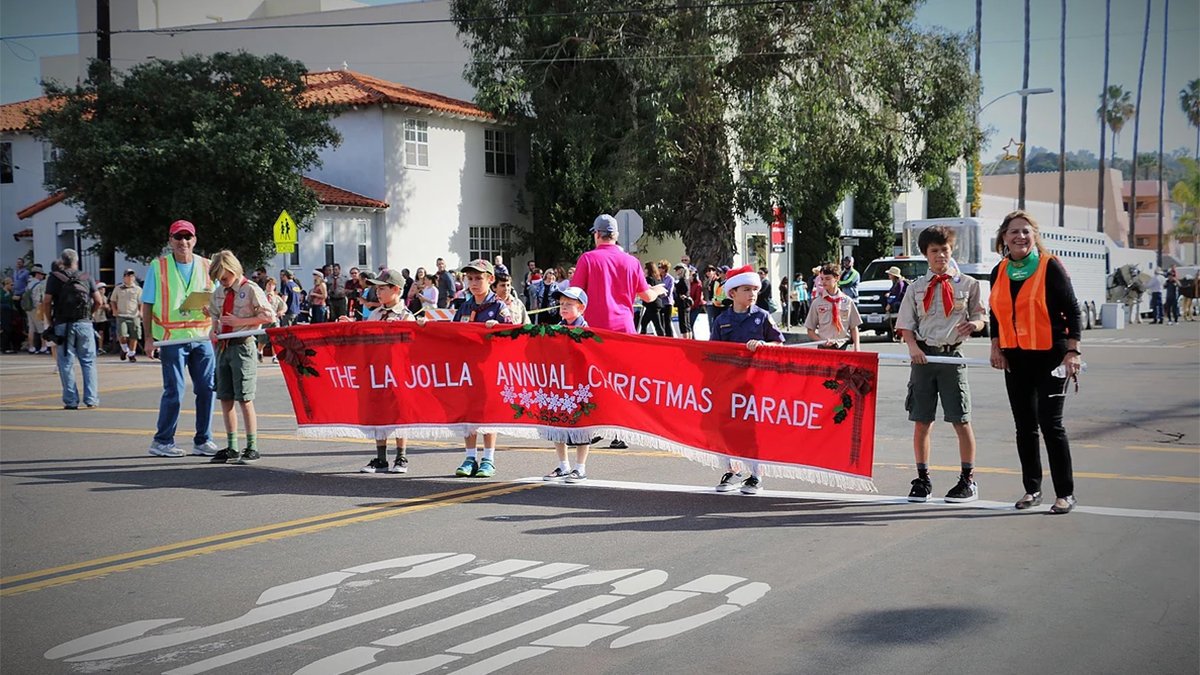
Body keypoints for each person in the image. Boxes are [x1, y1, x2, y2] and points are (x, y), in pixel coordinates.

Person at [988, 210, 1082, 514]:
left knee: (1051, 425)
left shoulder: (1049, 266)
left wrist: (1073, 351)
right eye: (1014, 231)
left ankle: (1065, 493)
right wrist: (995, 347)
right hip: (1015, 358)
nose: (1020, 237)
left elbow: (1073, 310)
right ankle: (1032, 489)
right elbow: (995, 313)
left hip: (1051, 358)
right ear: (1004, 237)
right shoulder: (999, 270)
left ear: (1035, 235)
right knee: (1024, 426)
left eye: (1026, 231)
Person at [896, 226, 987, 503]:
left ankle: (967, 480)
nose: (940, 255)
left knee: (961, 419)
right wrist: (912, 347)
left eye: (944, 250)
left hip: (951, 358)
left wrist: (975, 324)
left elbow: (981, 316)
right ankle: (922, 479)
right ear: (926, 254)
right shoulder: (916, 288)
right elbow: (906, 325)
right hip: (924, 359)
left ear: (952, 250)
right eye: (934, 251)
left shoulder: (968, 285)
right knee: (922, 421)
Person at [572, 213, 666, 449]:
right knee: (620, 381)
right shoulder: (631, 262)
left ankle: (592, 427)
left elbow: (574, 295)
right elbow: (646, 296)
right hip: (624, 329)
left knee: (592, 379)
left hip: (593, 329)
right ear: (615, 236)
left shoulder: (588, 259)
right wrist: (659, 290)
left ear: (597, 234)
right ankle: (620, 433)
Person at [141, 220, 219, 457]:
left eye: (187, 237)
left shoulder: (207, 265)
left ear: (194, 240)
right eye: (178, 237)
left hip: (201, 336)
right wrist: (147, 338)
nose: (183, 242)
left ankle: (203, 439)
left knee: (207, 389)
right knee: (174, 390)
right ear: (170, 241)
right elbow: (147, 304)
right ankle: (162, 441)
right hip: (171, 338)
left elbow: (217, 300)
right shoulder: (158, 266)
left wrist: (212, 313)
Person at [710, 265, 785, 495]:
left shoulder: (762, 317)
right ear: (732, 293)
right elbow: (711, 352)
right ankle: (733, 470)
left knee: (751, 428)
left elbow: (779, 343)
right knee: (728, 427)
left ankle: (755, 474)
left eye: (754, 289)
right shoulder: (722, 320)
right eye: (746, 289)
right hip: (729, 383)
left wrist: (764, 346)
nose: (752, 294)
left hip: (755, 383)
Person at [338, 268, 416, 474]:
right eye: (377, 289)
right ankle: (381, 458)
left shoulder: (406, 316)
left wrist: (396, 329)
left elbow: (412, 346)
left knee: (400, 413)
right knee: (378, 412)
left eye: (382, 289)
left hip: (398, 372)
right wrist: (352, 327)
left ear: (396, 290)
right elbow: (365, 336)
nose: (377, 293)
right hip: (377, 371)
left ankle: (401, 456)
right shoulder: (375, 313)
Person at [205, 251, 275, 465]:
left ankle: (252, 446)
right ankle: (232, 445)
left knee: (244, 398)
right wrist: (213, 331)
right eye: (218, 279)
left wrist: (238, 322)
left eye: (224, 277)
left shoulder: (250, 290)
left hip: (243, 346)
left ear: (234, 270)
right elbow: (215, 317)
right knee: (225, 397)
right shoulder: (218, 292)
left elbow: (269, 316)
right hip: (223, 348)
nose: (222, 282)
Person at [451, 259, 514, 477]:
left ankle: (488, 458)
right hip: (469, 368)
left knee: (488, 413)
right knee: (469, 412)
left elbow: (513, 335)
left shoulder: (499, 307)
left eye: (479, 278)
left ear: (490, 279)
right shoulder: (465, 306)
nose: (474, 283)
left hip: (490, 368)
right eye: (470, 278)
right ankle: (470, 457)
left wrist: (498, 329)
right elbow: (452, 335)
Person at [542, 286, 596, 483]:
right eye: (561, 304)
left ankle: (580, 467)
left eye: (569, 304)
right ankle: (563, 465)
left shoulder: (586, 330)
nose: (563, 307)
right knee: (558, 422)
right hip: (559, 383)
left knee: (582, 425)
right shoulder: (557, 328)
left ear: (581, 308)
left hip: (580, 384)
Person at [43, 248, 104, 409]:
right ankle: (91, 399)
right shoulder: (86, 277)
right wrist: (88, 316)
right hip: (84, 323)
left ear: (62, 262)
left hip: (63, 324)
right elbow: (99, 301)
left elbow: (47, 301)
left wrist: (50, 321)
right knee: (88, 361)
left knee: (66, 362)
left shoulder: (55, 278)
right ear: (77, 261)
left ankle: (71, 400)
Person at [804, 263, 861, 350]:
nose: (823, 282)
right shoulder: (817, 302)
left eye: (827, 279)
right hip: (824, 348)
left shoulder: (847, 301)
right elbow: (810, 330)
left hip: (843, 346)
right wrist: (821, 341)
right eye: (822, 279)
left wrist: (857, 348)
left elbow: (854, 327)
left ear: (837, 278)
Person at [110, 269, 143, 362]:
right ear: (124, 277)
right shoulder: (118, 288)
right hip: (121, 314)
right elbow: (113, 300)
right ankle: (125, 349)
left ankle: (132, 354)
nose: (130, 278)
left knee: (134, 335)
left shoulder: (138, 289)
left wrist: (141, 312)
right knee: (122, 334)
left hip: (134, 315)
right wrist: (114, 310)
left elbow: (141, 302)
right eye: (128, 275)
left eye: (132, 276)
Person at [259, 277, 287, 362]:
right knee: (262, 340)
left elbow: (284, 306)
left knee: (275, 339)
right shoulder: (261, 296)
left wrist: (281, 311)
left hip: (274, 320)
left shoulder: (276, 297)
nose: (271, 286)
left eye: (273, 285)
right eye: (269, 284)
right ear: (266, 285)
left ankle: (275, 356)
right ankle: (259, 351)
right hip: (264, 320)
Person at [24, 264, 49, 354]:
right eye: (42, 274)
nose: (42, 276)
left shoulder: (28, 283)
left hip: (28, 308)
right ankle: (43, 347)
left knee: (31, 328)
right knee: (41, 327)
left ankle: (31, 347)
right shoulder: (39, 285)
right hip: (36, 307)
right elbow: (39, 298)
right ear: (38, 274)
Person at [638, 261, 666, 336]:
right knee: (644, 322)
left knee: (656, 324)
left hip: (652, 304)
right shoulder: (657, 278)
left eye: (645, 268)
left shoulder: (648, 279)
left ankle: (662, 338)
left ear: (648, 269)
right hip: (656, 304)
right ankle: (643, 335)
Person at [884, 266, 909, 341]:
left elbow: (897, 295)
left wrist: (889, 304)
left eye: (890, 274)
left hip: (900, 304)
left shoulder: (900, 283)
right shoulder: (895, 283)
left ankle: (899, 334)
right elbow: (893, 293)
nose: (889, 276)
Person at [673, 265, 694, 339]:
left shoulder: (683, 279)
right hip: (685, 303)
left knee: (684, 323)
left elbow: (685, 290)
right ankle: (689, 339)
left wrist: (683, 295)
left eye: (678, 269)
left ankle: (686, 340)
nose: (676, 271)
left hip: (683, 303)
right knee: (686, 323)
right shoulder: (685, 279)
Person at [0, 277, 15, 353]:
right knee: (5, 329)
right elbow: (2, 299)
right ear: (7, 284)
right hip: (3, 311)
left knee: (9, 328)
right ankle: (4, 347)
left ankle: (8, 346)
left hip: (9, 311)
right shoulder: (2, 292)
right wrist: (10, 297)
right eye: (11, 284)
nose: (12, 286)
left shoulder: (10, 291)